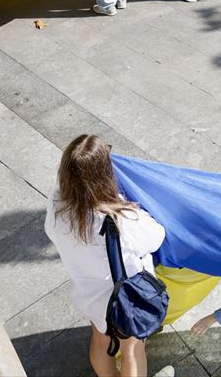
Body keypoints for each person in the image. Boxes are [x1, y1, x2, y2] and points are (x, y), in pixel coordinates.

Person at [45, 134, 166, 377]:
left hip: (89, 295)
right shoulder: (122, 218)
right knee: (132, 350)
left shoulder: (57, 203)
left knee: (100, 341)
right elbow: (156, 237)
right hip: (125, 300)